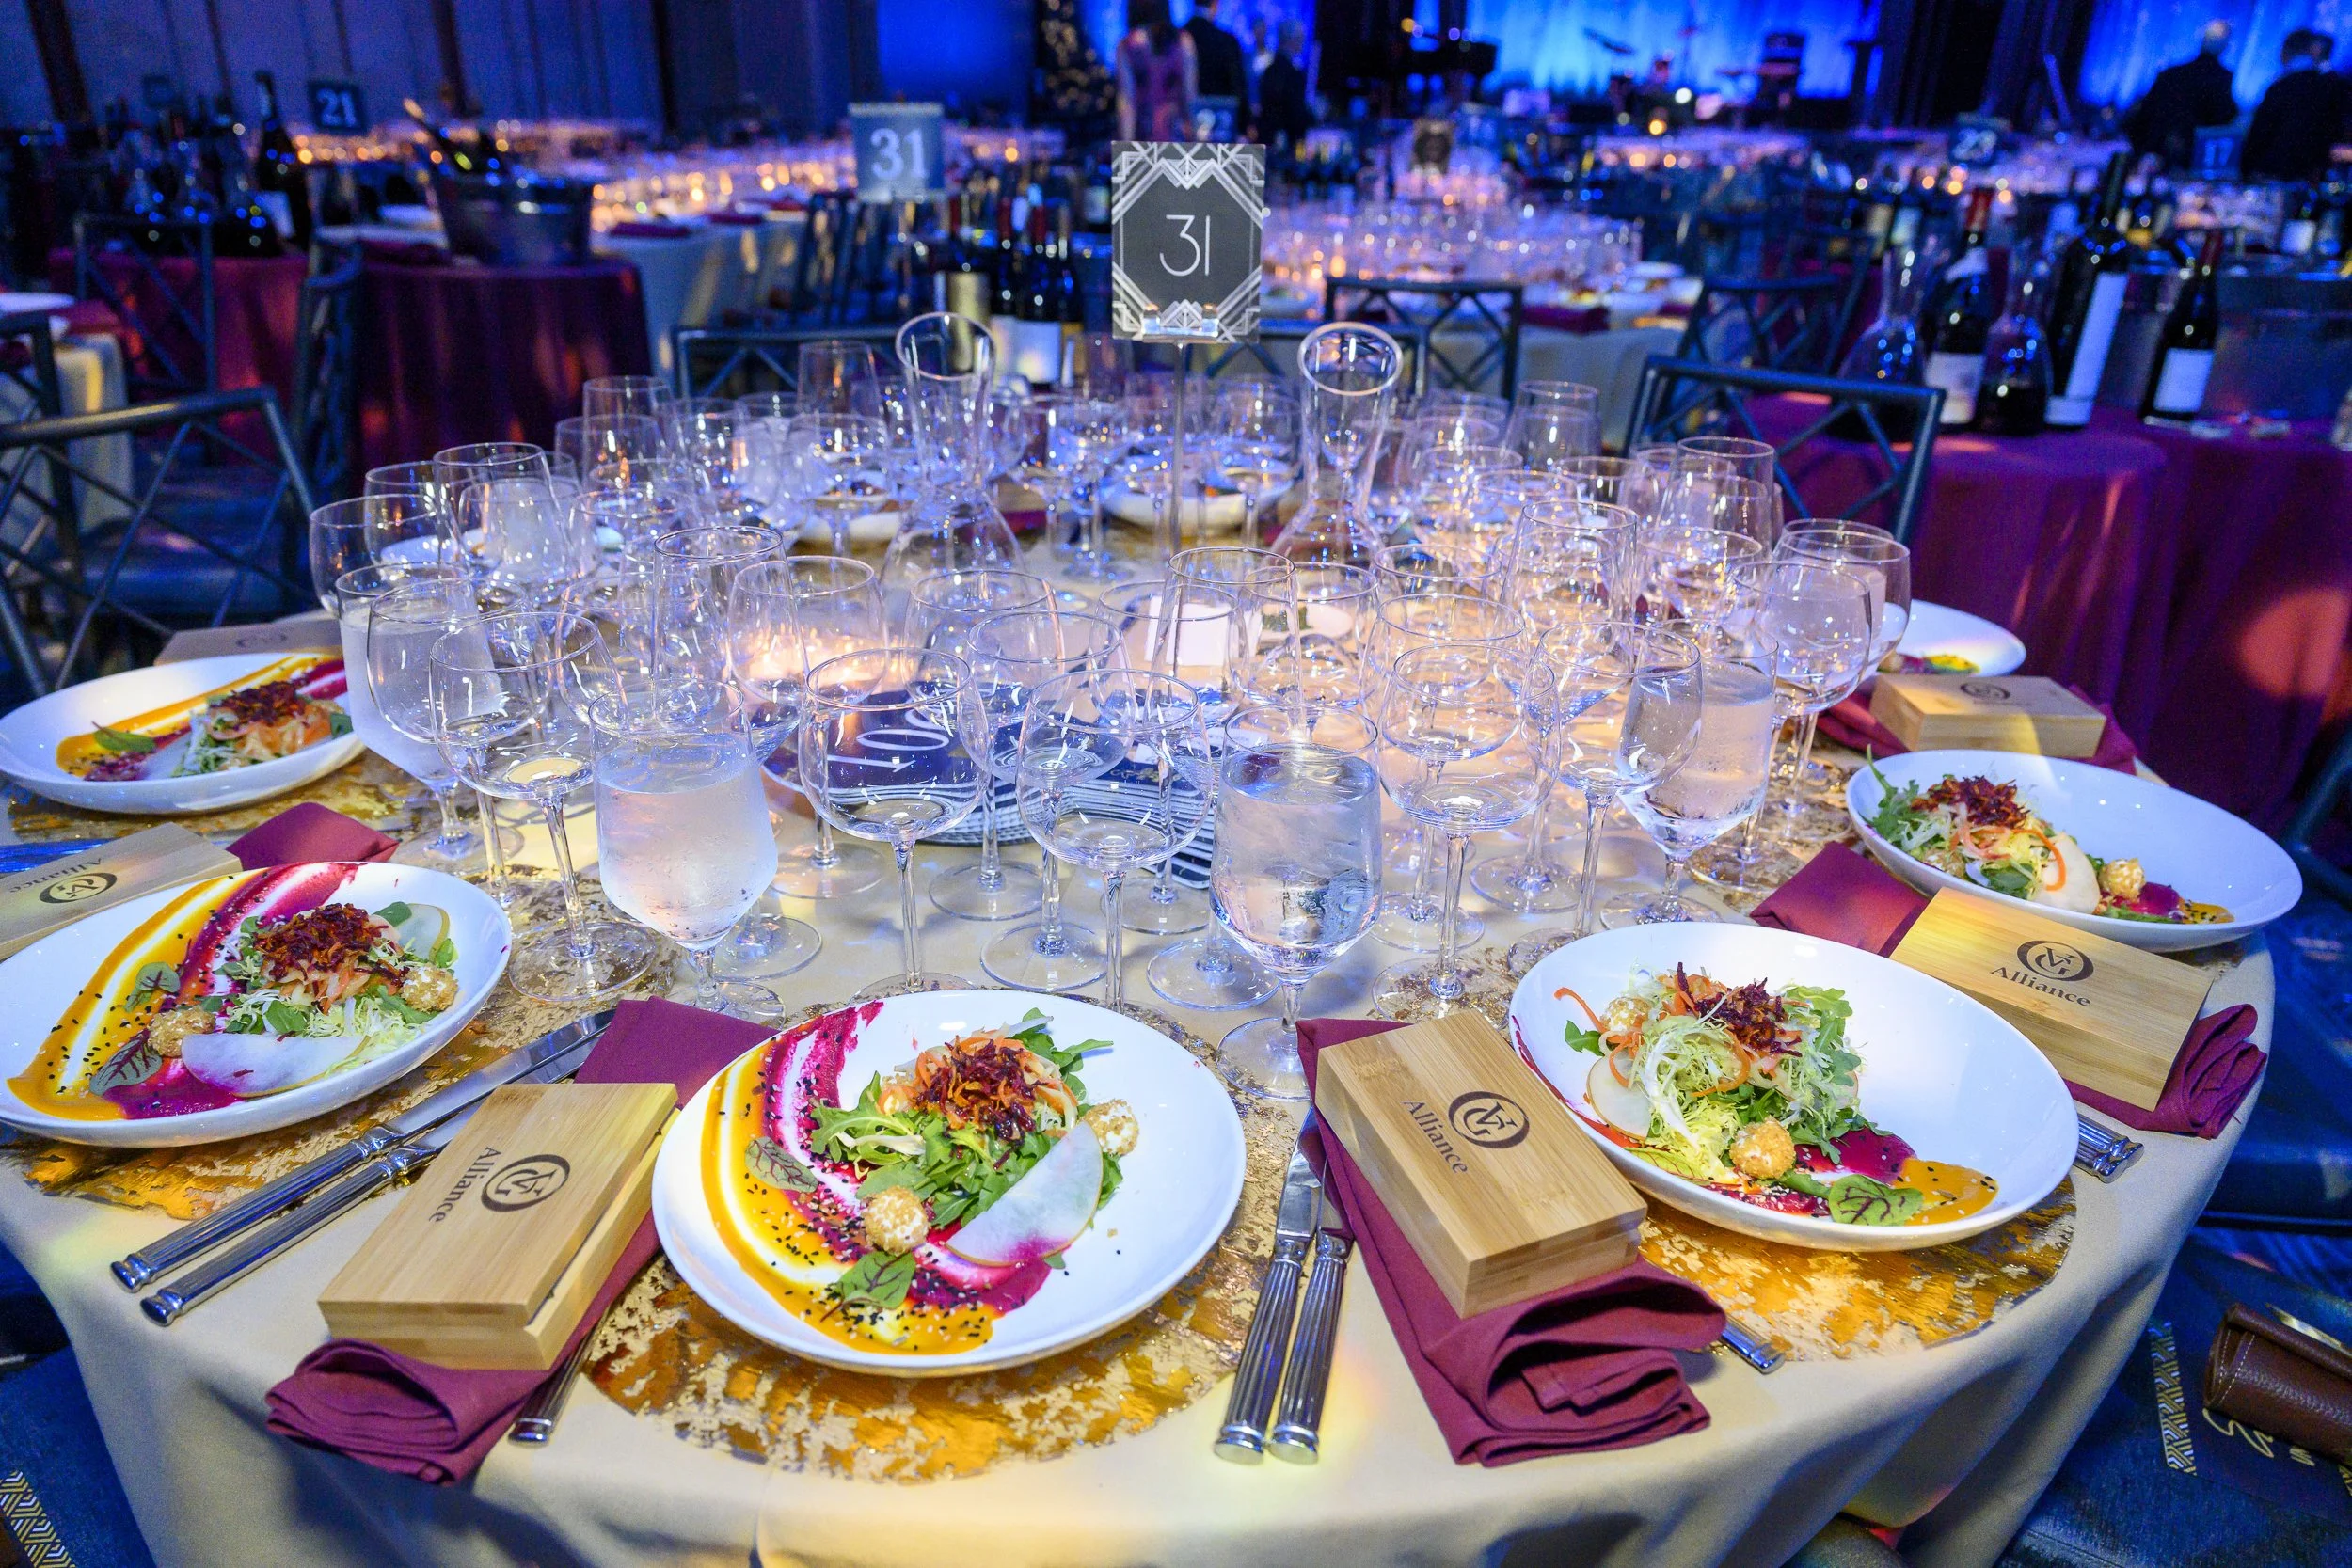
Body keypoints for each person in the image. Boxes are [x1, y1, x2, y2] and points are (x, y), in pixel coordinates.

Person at [2123, 20, 2239, 169]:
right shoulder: (2221, 79)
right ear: (2225, 46)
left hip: (2153, 150)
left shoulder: (2171, 73)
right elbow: (2221, 120)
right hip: (2188, 158)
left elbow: (2145, 113)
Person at [2243, 28, 2352, 182]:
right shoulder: (2332, 88)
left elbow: (2260, 133)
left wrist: (2246, 170)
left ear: (2286, 51)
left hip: (2271, 173)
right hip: (2310, 177)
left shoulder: (2281, 86)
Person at [1117, 0, 1198, 143]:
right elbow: (1190, 97)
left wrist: (1125, 150)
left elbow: (1127, 103)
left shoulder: (1127, 45)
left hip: (1143, 136)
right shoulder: (1183, 41)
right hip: (1176, 136)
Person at [1184, 0, 1252, 125]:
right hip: (1222, 125)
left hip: (1183, 126)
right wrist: (1245, 124)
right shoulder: (1227, 42)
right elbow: (1237, 86)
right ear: (1215, 4)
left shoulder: (1177, 39)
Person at [1258, 20, 1314, 147]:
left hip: (1269, 139)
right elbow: (1295, 112)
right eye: (1300, 39)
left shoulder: (1269, 71)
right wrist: (1313, 117)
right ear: (1291, 40)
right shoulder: (1292, 74)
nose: (1302, 43)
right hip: (1285, 143)